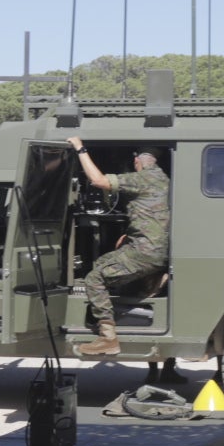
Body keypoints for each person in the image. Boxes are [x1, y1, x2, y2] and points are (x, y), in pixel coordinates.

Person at [66, 140, 172, 376]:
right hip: (158, 249)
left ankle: (108, 337)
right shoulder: (165, 180)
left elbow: (99, 181)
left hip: (145, 251)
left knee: (94, 277)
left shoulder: (142, 179)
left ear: (137, 162)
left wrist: (80, 149)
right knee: (112, 268)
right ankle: (150, 285)